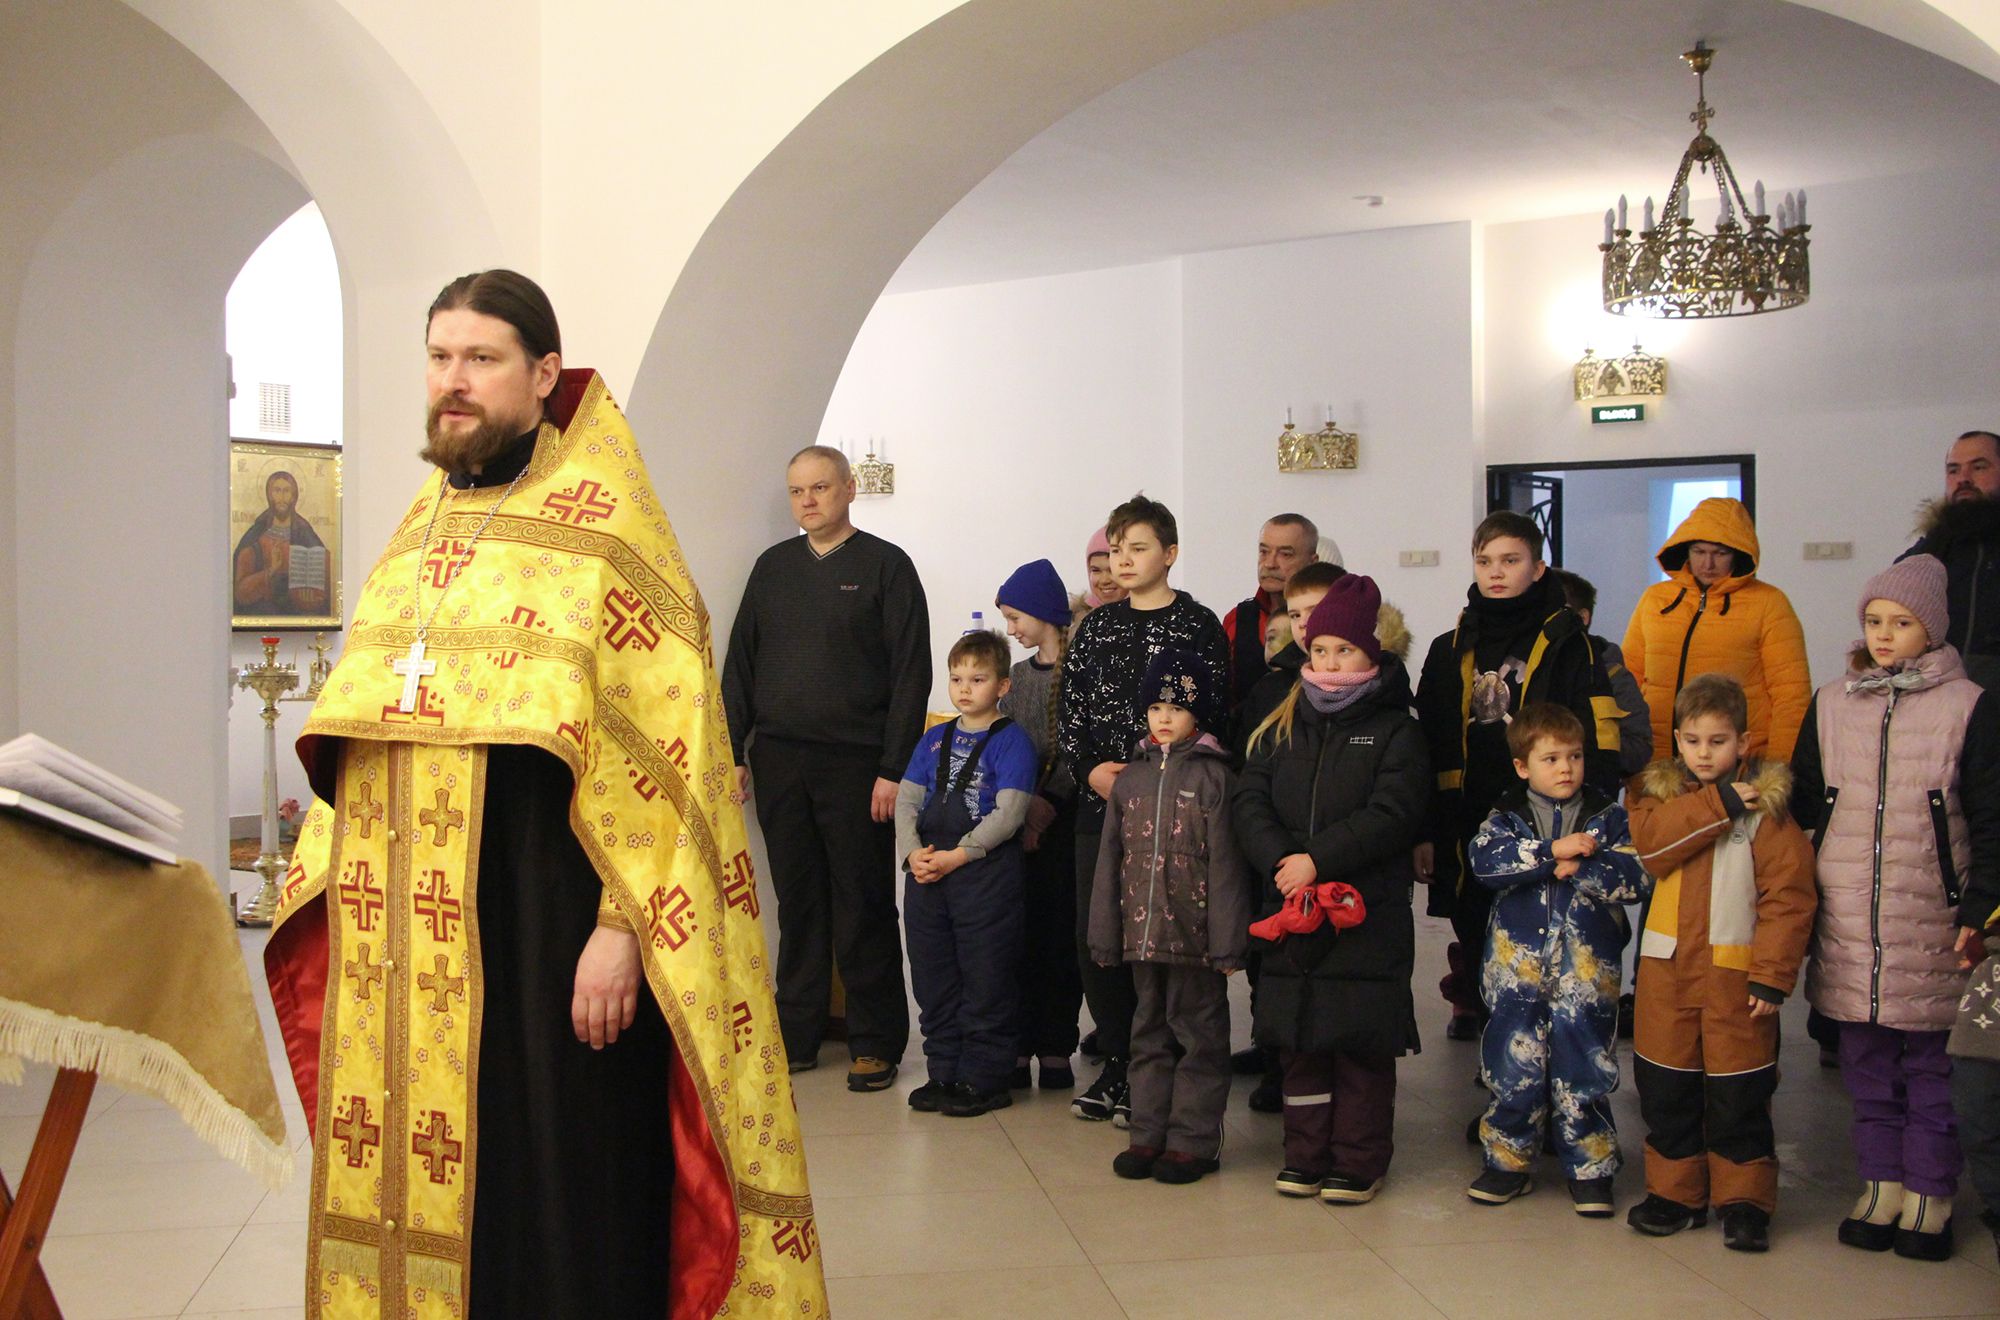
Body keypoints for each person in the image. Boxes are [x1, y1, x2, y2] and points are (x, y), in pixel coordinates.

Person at [263, 270, 827, 1316]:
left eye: (481, 359)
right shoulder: (418, 534)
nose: (453, 381)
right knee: (447, 1188)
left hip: (555, 927)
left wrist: (622, 929)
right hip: (414, 951)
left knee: (568, 1184)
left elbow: (674, 754)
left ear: (543, 374)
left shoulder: (605, 530)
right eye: (440, 358)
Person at [1789, 555, 2000, 1261]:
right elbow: (1803, 803)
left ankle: (1931, 1195)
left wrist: (1979, 907)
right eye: (1874, 620)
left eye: (1901, 623)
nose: (1883, 635)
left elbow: (1990, 818)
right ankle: (1881, 1185)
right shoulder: (1831, 702)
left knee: (1935, 1069)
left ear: (1931, 630)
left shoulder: (1968, 705)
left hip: (1933, 920)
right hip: (1849, 919)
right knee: (1867, 1066)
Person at [722, 444, 931, 1092]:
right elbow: (739, 664)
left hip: (857, 765)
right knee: (799, 902)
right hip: (780, 759)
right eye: (797, 491)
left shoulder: (886, 567)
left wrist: (894, 768)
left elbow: (911, 675)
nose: (807, 501)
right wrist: (731, 751)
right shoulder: (773, 568)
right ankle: (798, 1032)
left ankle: (874, 1041)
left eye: (819, 487)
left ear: (848, 489)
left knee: (862, 902)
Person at [1234, 575, 1426, 1204]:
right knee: (1301, 1044)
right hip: (1293, 907)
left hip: (1364, 913)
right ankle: (1305, 1154)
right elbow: (1250, 800)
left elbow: (1394, 811)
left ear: (1373, 651)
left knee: (1360, 1045)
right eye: (1320, 649)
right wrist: (1282, 861)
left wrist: (1318, 859)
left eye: (1345, 650)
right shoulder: (1284, 719)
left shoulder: (1396, 729)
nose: (1331, 662)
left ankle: (1359, 1160)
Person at [1414, 512, 1620, 1062]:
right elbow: (1428, 746)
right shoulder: (1448, 647)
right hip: (1469, 825)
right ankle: (1504, 1072)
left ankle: (1560, 1073)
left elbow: (1600, 744)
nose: (1496, 573)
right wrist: (1426, 831)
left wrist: (1593, 827)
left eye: (1510, 560)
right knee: (1482, 947)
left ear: (1538, 566)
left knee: (1552, 958)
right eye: (1485, 562)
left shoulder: (1571, 645)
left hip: (1550, 827)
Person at [1626, 674, 1816, 1253]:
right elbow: (1654, 849)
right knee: (1667, 1091)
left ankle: (1744, 1202)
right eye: (1692, 741)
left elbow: (1789, 899)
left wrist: (1773, 976)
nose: (1703, 754)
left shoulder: (1769, 815)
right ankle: (1675, 1195)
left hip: (1737, 980)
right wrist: (1721, 802)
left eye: (1717, 741)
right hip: (1666, 977)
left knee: (1740, 1096)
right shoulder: (1656, 798)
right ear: (1677, 742)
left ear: (1744, 742)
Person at [1059, 493, 1230, 1124]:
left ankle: (1163, 1063)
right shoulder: (1096, 627)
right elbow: (1070, 715)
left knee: (1164, 935)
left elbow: (1214, 716)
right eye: (1115, 550)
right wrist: (1089, 770)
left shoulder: (1197, 625)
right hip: (1102, 804)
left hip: (1175, 809)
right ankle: (1119, 1059)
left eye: (1137, 548)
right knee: (1100, 933)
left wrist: (1155, 778)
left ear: (1170, 553)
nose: (1122, 561)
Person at [1465, 703, 1649, 1215]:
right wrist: (1551, 853)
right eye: (1550, 759)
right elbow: (1485, 862)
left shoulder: (1609, 818)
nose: (1565, 768)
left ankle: (1591, 1168)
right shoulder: (1505, 817)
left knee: (1585, 1063)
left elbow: (1637, 876)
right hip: (1517, 975)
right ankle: (1507, 1162)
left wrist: (1581, 866)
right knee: (1512, 1063)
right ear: (1522, 766)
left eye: (1575, 756)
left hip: (1586, 976)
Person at [1089, 648, 1250, 1184]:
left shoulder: (1215, 778)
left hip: (1195, 937)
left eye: (1176, 708)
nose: (1163, 717)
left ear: (1196, 714)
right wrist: (1104, 934)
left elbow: (1227, 867)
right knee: (1148, 1034)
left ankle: (1193, 1141)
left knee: (1199, 1037)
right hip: (1141, 935)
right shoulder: (1129, 780)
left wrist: (1228, 943)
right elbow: (1109, 861)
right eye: (1156, 706)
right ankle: (1148, 1133)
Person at [894, 630, 1039, 1118]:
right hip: (928, 875)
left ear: (1002, 685)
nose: (964, 688)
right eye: (957, 678)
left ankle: (984, 1077)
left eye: (977, 679)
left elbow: (1010, 813)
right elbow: (907, 801)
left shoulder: (1013, 741)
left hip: (984, 877)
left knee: (986, 977)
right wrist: (913, 854)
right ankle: (944, 1072)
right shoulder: (933, 738)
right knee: (933, 977)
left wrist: (959, 855)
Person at [1621, 497, 1811, 765]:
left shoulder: (1769, 603)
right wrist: (1628, 752)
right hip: (1656, 760)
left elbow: (1791, 694)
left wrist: (1777, 768)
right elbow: (1627, 680)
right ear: (1685, 550)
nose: (1707, 563)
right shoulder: (1654, 599)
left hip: (1739, 762)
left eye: (1720, 553)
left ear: (1738, 554)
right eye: (1699, 551)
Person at [995, 558, 1083, 1091]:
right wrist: (1021, 804)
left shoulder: (1081, 670)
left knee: (1058, 938)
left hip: (1065, 825)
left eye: (1015, 617)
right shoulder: (1019, 679)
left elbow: (1081, 745)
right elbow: (1006, 742)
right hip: (1018, 821)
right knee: (1017, 939)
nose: (1010, 629)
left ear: (1043, 613)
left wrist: (1048, 801)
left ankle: (1055, 1045)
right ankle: (1016, 1045)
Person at [1902, 430, 2000, 688]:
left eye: (1979, 467)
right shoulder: (1931, 548)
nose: (1963, 478)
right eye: (1953, 470)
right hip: (1938, 698)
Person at [1549, 568, 1653, 778]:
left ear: (1582, 617)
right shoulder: (1520, 666)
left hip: (1590, 791)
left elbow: (1639, 747)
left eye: (1553, 611)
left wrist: (1577, 751)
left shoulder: (1611, 673)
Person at [1223, 513, 1319, 708]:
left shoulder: (1330, 621)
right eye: (1264, 552)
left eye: (1285, 554)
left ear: (1312, 562)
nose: (1269, 563)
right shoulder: (1238, 619)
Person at [232, 468, 330, 615]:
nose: (282, 497)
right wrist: (270, 571)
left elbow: (327, 579)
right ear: (269, 495)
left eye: (286, 491)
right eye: (277, 491)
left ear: (294, 496)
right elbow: (240, 593)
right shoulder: (255, 539)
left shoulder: (305, 534)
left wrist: (314, 595)